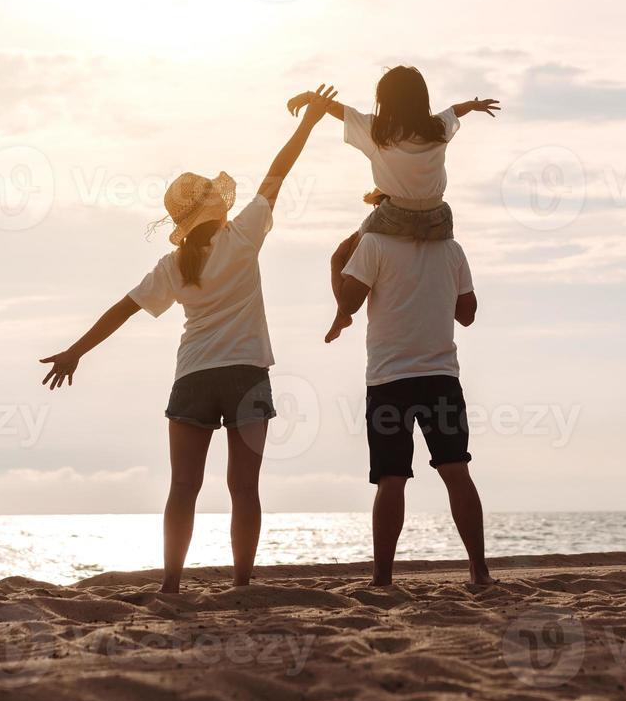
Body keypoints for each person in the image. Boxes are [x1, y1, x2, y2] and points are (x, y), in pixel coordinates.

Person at [39, 85, 339, 594]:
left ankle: (171, 585)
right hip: (246, 374)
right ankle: (242, 585)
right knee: (244, 490)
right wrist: (310, 122)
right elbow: (278, 171)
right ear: (219, 207)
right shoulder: (244, 235)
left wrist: (76, 352)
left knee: (183, 488)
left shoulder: (173, 264)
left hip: (195, 377)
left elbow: (123, 309)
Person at [325, 226, 492, 587]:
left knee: (391, 479)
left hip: (389, 382)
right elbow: (467, 314)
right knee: (456, 470)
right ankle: (479, 572)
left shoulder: (373, 244)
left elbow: (348, 303)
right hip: (441, 379)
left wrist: (337, 262)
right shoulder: (451, 248)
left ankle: (382, 579)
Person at [285, 65, 497, 335]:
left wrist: (307, 96)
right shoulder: (438, 128)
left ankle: (342, 314)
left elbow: (340, 111)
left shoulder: (377, 132)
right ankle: (451, 295)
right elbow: (455, 110)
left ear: (384, 101)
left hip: (395, 214)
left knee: (350, 248)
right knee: (450, 256)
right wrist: (474, 105)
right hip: (438, 216)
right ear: (423, 99)